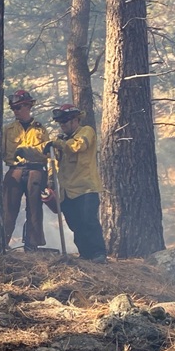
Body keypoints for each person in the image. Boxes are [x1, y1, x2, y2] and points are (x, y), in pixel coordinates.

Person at [42, 104, 107, 263]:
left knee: (88, 222)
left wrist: (57, 144)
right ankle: (85, 255)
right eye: (60, 122)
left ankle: (98, 254)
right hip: (66, 191)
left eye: (65, 121)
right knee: (75, 225)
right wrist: (51, 179)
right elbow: (55, 163)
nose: (62, 125)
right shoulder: (61, 140)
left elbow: (78, 146)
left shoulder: (86, 132)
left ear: (76, 119)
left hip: (85, 188)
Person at [2, 90, 50, 251]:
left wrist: (50, 177)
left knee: (35, 209)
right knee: (8, 208)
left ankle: (32, 244)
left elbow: (48, 152)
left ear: (28, 106)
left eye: (19, 107)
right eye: (13, 108)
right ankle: (2, 242)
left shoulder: (40, 129)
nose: (15, 111)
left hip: (36, 171)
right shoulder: (7, 130)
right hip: (15, 170)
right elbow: (0, 152)